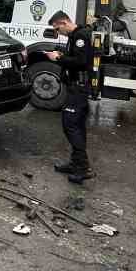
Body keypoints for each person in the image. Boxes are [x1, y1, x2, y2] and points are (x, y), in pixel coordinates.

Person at [44, 10, 95, 183]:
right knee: (76, 126)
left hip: (79, 88)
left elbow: (81, 62)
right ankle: (76, 163)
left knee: (71, 125)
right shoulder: (75, 36)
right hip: (75, 86)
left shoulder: (81, 36)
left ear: (64, 23)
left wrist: (58, 59)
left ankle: (83, 168)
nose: (58, 33)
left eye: (58, 29)